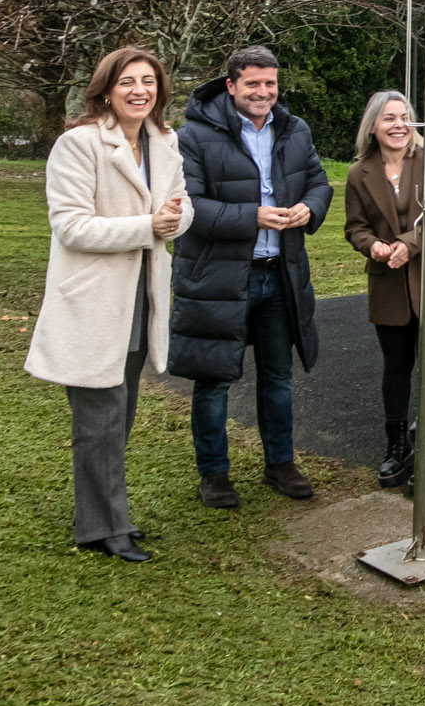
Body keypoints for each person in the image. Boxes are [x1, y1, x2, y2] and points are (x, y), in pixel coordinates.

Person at [25, 47, 193, 562]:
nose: (139, 90)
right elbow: (71, 226)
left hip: (142, 297)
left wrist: (171, 220)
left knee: (120, 415)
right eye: (127, 82)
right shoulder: (77, 145)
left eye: (148, 81)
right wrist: (149, 227)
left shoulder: (166, 142)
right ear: (105, 89)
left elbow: (181, 209)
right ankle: (104, 527)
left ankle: (101, 513)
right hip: (94, 302)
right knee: (99, 418)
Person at [168, 45, 333, 508]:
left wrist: (310, 207)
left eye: (270, 84)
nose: (263, 93)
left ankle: (280, 464)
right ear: (231, 86)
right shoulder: (193, 137)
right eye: (253, 84)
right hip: (216, 276)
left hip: (279, 274)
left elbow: (320, 183)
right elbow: (189, 207)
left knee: (278, 376)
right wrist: (253, 217)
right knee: (214, 377)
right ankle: (214, 474)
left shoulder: (295, 130)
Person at [342, 92, 425, 486]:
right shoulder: (358, 173)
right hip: (388, 283)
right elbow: (354, 226)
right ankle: (396, 446)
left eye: (405, 117)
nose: (398, 125)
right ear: (373, 127)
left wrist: (407, 245)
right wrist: (372, 245)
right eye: (388, 118)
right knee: (396, 367)